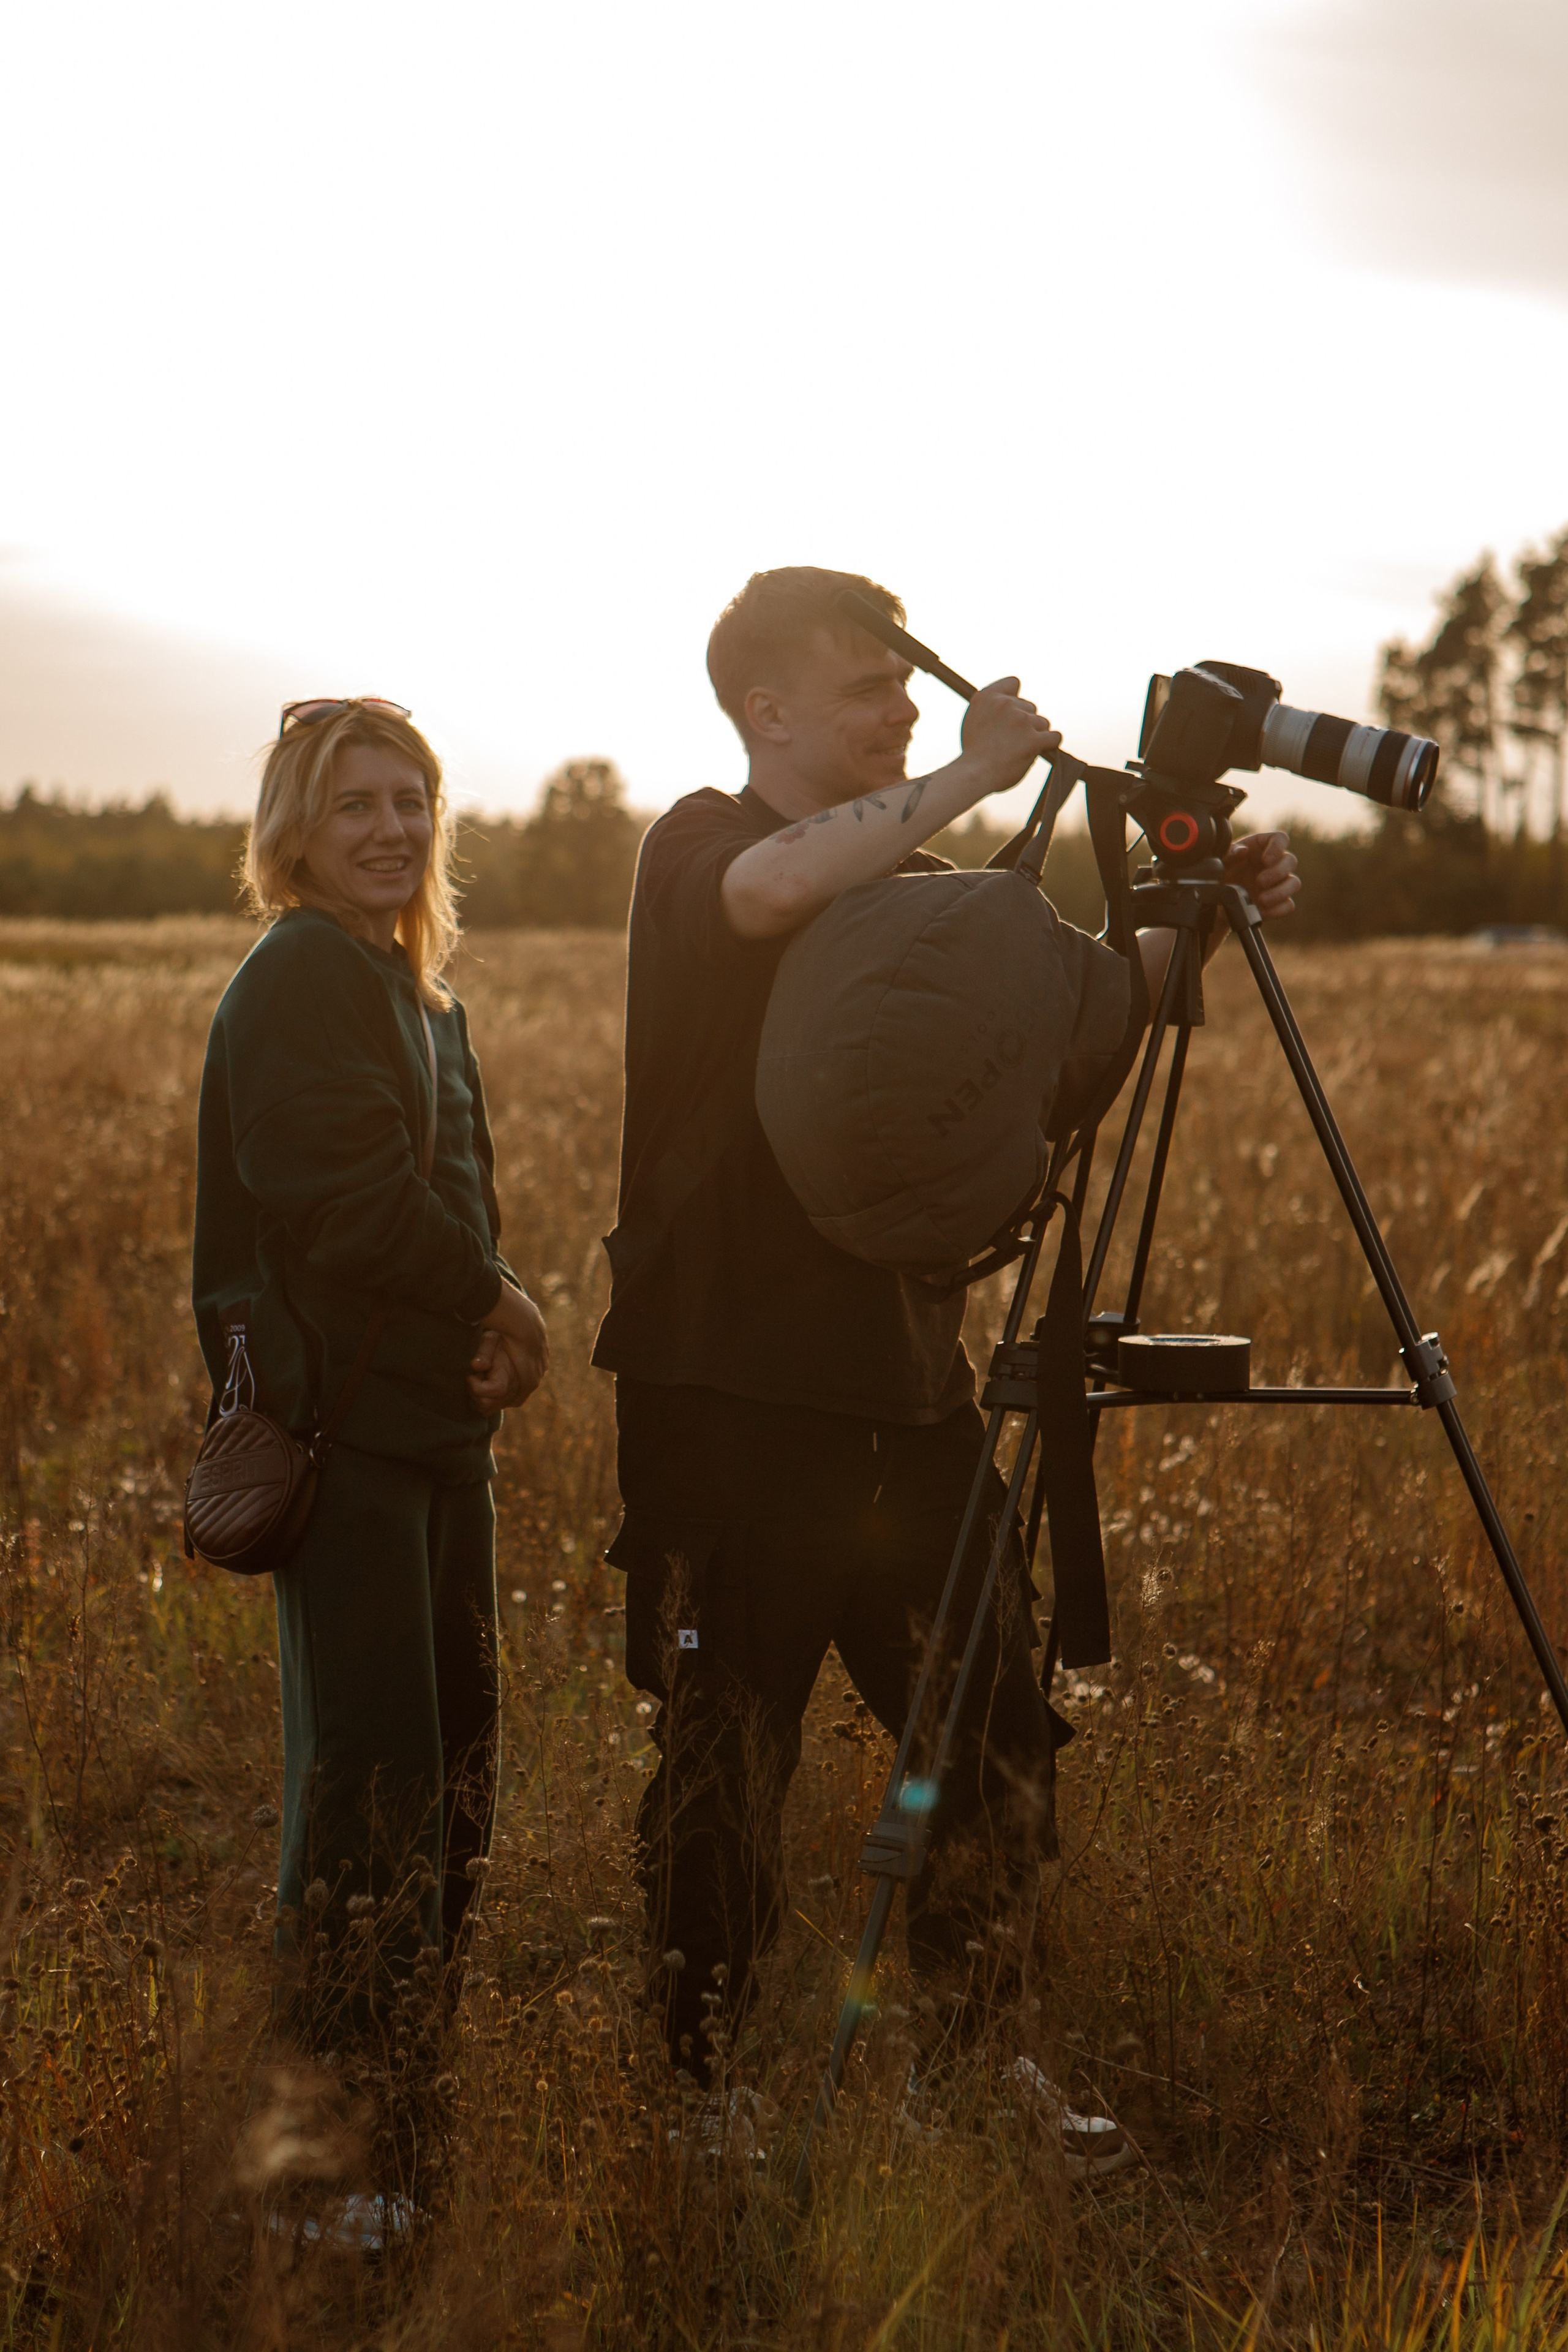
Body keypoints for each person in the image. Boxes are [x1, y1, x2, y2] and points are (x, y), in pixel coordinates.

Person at [592, 568, 1300, 2168]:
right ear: (768, 707)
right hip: (730, 1393)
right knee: (729, 1742)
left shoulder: (911, 890)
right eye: (870, 689)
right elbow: (770, 895)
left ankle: (982, 2071)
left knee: (990, 1729)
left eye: (912, 698)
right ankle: (706, 2091)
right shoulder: (701, 845)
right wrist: (982, 773)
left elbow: (1074, 1048)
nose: (907, 712)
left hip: (906, 1385)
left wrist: (1197, 915)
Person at [192, 697, 549, 2060]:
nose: (391, 828)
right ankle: (330, 2139)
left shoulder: (415, 992)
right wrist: (499, 1299)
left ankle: (405, 2084)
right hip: (340, 1443)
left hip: (439, 1442)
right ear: (297, 827)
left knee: (454, 1775)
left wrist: (494, 1337)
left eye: (411, 801)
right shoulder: (303, 973)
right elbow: (348, 1201)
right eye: (356, 805)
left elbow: (451, 1193)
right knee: (368, 1785)